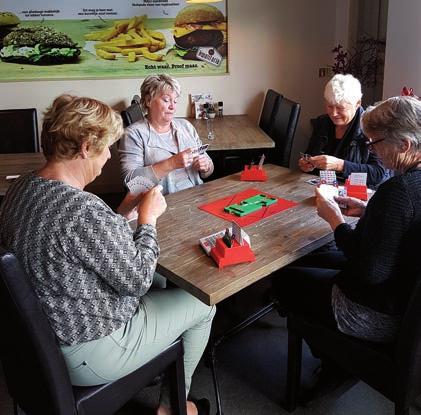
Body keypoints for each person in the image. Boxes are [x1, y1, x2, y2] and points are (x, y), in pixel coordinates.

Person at [0, 94, 215, 415]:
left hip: (43, 333)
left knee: (161, 276)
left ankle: (158, 361)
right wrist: (148, 218)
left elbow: (79, 243)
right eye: (105, 149)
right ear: (86, 147)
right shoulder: (83, 210)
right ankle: (172, 407)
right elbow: (138, 280)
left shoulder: (23, 186)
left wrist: (124, 213)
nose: (107, 159)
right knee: (203, 304)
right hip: (90, 348)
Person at [275, 96, 421, 399]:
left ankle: (335, 359)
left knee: (285, 279)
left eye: (375, 144)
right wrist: (370, 213)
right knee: (317, 257)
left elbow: (371, 271)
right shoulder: (409, 187)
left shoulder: (398, 191)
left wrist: (335, 220)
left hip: (378, 313)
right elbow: (407, 235)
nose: (373, 151)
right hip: (406, 299)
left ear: (405, 145)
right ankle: (333, 357)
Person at [119, 74, 214, 195]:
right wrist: (171, 163)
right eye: (166, 100)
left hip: (197, 196)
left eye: (175, 101)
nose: (172, 107)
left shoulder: (186, 126)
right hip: (163, 204)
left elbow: (208, 169)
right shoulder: (133, 135)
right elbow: (130, 184)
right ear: (148, 101)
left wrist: (206, 167)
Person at [299, 73, 387, 188]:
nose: (334, 113)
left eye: (341, 108)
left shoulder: (372, 128)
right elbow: (310, 154)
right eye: (330, 106)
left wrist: (341, 165)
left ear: (357, 104)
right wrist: (307, 164)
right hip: (323, 189)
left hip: (359, 195)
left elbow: (378, 173)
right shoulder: (322, 122)